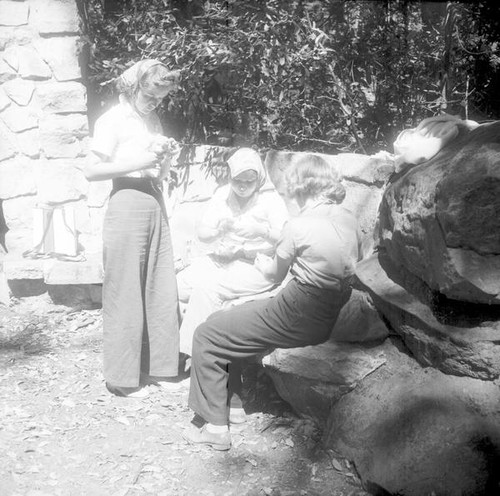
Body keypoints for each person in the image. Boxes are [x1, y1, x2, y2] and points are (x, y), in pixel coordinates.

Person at [183, 154, 361, 450]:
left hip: (297, 310)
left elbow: (275, 276)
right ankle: (235, 405)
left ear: (299, 186)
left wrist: (265, 264)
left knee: (207, 333)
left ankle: (214, 428)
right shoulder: (348, 218)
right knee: (230, 317)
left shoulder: (299, 225)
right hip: (326, 310)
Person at [82, 59, 181, 398]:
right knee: (125, 289)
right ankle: (122, 379)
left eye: (161, 98)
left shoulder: (150, 119)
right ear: (132, 87)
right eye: (150, 95)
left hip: (154, 202)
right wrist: (143, 161)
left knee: (161, 286)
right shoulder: (112, 120)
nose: (155, 103)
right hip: (125, 200)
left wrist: (166, 156)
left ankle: (161, 369)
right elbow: (92, 170)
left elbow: (158, 172)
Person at [176, 147, 289, 356]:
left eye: (249, 182)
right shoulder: (222, 194)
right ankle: (166, 348)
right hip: (221, 259)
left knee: (206, 290)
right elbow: (202, 233)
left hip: (256, 264)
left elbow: (285, 237)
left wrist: (261, 231)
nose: (243, 187)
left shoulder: (271, 199)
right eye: (238, 181)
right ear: (231, 176)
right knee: (175, 286)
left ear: (259, 179)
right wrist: (218, 230)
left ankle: (189, 356)